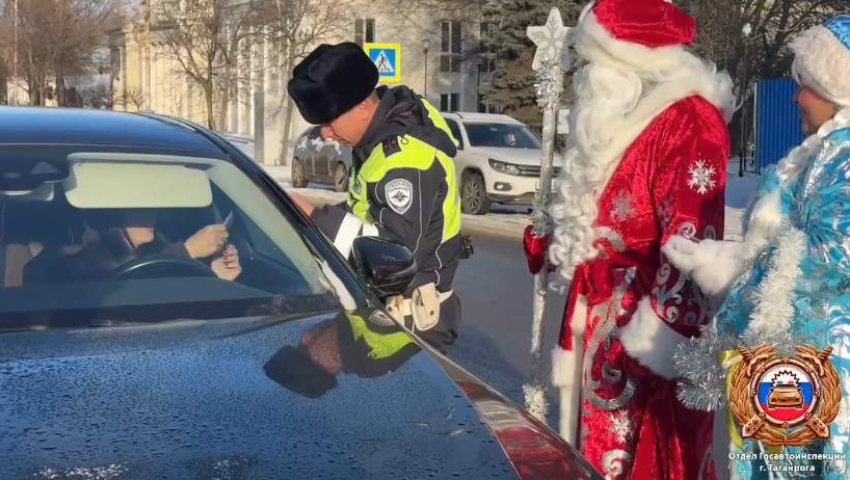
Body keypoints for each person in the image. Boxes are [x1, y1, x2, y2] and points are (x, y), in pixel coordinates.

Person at [522, 0, 734, 477]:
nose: (586, 77)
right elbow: (606, 215)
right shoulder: (620, 122)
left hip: (639, 351)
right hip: (598, 333)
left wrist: (653, 347)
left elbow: (691, 246)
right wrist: (556, 240)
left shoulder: (690, 124)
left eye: (596, 62)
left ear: (629, 62)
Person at [665, 14, 850, 479]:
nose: (794, 97)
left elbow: (828, 258)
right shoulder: (818, 154)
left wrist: (736, 277)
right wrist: (728, 260)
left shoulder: (843, 160)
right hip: (790, 369)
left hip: (824, 374)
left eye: (803, 84)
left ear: (834, 85)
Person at [286, 42, 464, 353]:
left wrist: (316, 219)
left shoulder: (405, 160)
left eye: (329, 121)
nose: (325, 133)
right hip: (387, 318)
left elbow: (394, 257)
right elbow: (366, 212)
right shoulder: (378, 140)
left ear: (363, 107)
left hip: (407, 327)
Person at [24, 209, 240, 283]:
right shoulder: (70, 259)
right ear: (111, 211)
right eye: (137, 205)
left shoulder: (160, 251)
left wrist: (216, 279)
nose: (151, 212)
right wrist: (186, 252)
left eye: (153, 203)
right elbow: (114, 295)